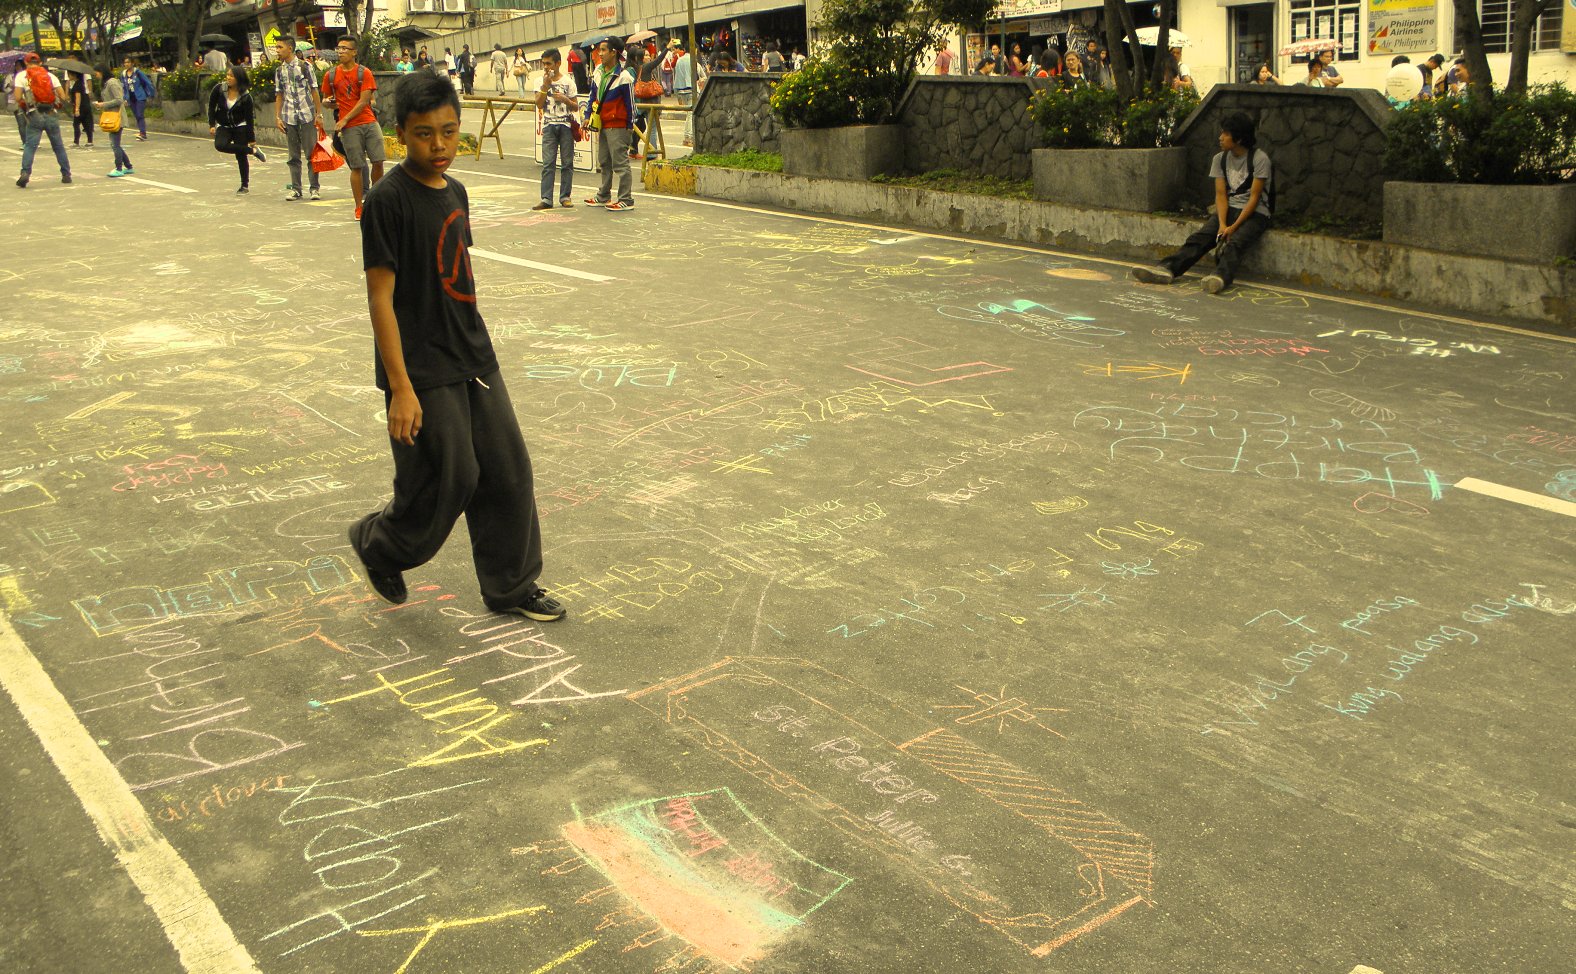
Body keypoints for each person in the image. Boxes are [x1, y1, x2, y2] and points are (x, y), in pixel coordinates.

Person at [352, 70, 566, 623]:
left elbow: (453, 274)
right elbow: (380, 299)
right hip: (421, 365)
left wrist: (476, 345)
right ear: (401, 133)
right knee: (451, 477)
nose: (439, 145)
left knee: (508, 470)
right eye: (425, 134)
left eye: (449, 132)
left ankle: (512, 586)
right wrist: (400, 387)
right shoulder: (386, 200)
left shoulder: (456, 191)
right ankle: (381, 545)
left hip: (472, 352)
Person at [1132, 111, 1270, 295]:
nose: (1220, 137)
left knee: (1235, 243)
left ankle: (1219, 278)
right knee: (1200, 238)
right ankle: (1166, 269)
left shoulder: (1260, 159)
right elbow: (1220, 195)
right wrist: (1222, 224)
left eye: (1226, 134)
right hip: (1229, 209)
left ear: (1238, 138)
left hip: (1255, 213)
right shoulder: (1219, 159)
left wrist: (1234, 227)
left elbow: (1254, 198)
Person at [322, 36, 384, 220]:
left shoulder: (364, 73)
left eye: (345, 48)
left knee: (378, 161)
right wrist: (328, 103)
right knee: (356, 166)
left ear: (354, 52)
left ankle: (376, 200)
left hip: (368, 122)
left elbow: (364, 101)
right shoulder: (331, 75)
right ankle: (359, 206)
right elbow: (326, 99)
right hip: (350, 128)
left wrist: (345, 119)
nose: (340, 52)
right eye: (339, 48)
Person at [583, 39, 635, 211]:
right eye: (599, 50)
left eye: (604, 50)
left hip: (618, 125)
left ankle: (626, 199)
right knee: (604, 161)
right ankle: (603, 195)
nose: (600, 54)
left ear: (614, 52)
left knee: (620, 163)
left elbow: (631, 104)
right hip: (603, 123)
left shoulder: (624, 77)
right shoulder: (598, 72)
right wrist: (587, 115)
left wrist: (629, 125)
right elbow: (592, 96)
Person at [274, 35, 322, 202]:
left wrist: (319, 113)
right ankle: (296, 189)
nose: (277, 51)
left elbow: (314, 90)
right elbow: (279, 94)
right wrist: (278, 117)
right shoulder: (279, 71)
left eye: (280, 47)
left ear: (290, 48)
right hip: (289, 116)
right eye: (276, 47)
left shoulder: (305, 66)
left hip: (307, 114)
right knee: (293, 156)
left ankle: (314, 188)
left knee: (311, 153)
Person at [14, 53, 72, 188]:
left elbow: (17, 97)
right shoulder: (50, 76)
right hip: (51, 113)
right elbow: (63, 96)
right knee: (58, 146)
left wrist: (27, 103)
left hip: (34, 114)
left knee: (30, 146)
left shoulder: (21, 76)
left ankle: (25, 173)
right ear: (40, 63)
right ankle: (66, 174)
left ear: (26, 63)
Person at [208, 64, 264, 194]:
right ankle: (252, 151)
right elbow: (211, 107)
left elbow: (249, 119)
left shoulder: (246, 96)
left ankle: (244, 185)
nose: (228, 78)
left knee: (241, 156)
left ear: (239, 78)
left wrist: (252, 139)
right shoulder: (219, 89)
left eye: (231, 76)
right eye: (227, 75)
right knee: (220, 145)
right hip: (224, 126)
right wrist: (211, 124)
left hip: (240, 126)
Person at [534, 48, 577, 211]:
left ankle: (565, 196)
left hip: (566, 126)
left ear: (558, 63)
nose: (546, 67)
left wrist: (565, 100)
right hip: (549, 125)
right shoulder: (539, 81)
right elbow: (538, 104)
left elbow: (575, 106)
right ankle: (546, 198)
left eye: (549, 64)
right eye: (544, 64)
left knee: (567, 163)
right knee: (548, 163)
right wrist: (545, 86)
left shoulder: (568, 82)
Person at [93, 64, 134, 177]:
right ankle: (128, 166)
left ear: (102, 72)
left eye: (96, 73)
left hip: (116, 117)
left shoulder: (112, 83)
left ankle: (119, 168)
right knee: (116, 144)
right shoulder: (106, 84)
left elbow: (119, 100)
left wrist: (103, 104)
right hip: (111, 116)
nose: (96, 75)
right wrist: (100, 105)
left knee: (115, 144)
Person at [69, 70, 93, 148]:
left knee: (76, 124)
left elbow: (78, 97)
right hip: (85, 106)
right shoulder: (81, 83)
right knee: (86, 123)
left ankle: (76, 142)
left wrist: (77, 109)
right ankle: (90, 141)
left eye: (69, 74)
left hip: (81, 107)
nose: (68, 76)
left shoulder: (77, 84)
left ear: (74, 75)